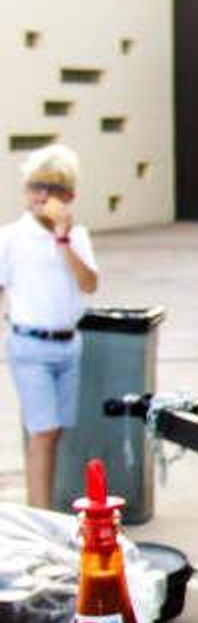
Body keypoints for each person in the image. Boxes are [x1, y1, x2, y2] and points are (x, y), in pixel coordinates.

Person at [0, 144, 100, 510]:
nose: (43, 197)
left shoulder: (76, 236)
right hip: (30, 344)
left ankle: (41, 505)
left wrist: (63, 240)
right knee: (42, 431)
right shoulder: (11, 237)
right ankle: (39, 516)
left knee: (54, 431)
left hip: (67, 343)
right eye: (36, 187)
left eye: (53, 189)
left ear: (69, 196)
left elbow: (88, 283)